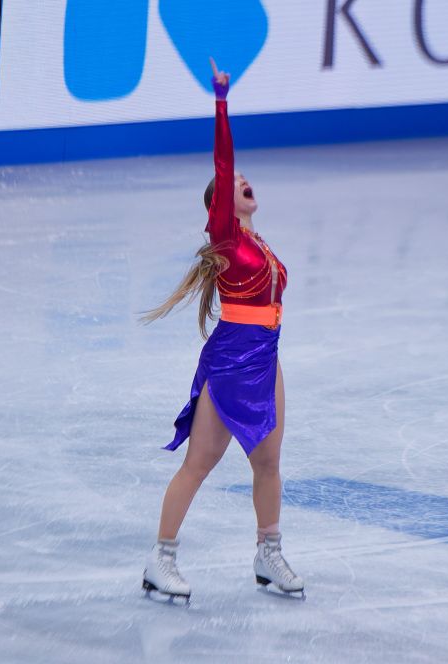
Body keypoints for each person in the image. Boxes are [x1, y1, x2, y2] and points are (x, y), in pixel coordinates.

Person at [140, 58, 304, 601]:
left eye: (245, 180)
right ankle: (160, 560)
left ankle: (269, 553)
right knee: (201, 463)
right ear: (218, 208)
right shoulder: (228, 240)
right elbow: (222, 156)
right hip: (232, 358)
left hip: (267, 356)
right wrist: (221, 102)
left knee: (269, 461)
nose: (243, 181)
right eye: (234, 183)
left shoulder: (260, 245)